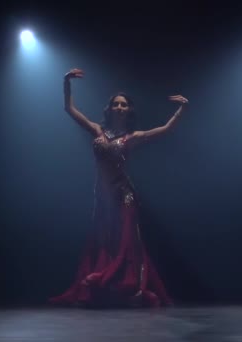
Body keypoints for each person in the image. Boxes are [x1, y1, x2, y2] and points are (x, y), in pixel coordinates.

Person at [48, 68, 188, 308]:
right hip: (102, 195)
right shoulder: (96, 130)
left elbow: (164, 130)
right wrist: (66, 83)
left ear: (129, 110)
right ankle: (103, 289)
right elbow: (69, 109)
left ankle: (130, 287)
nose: (120, 107)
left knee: (126, 242)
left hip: (123, 194)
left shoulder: (132, 137)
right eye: (116, 104)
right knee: (103, 239)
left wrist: (182, 109)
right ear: (110, 109)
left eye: (124, 105)